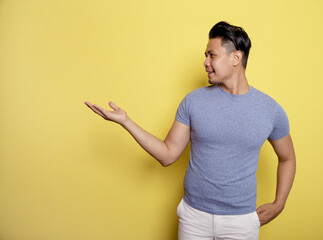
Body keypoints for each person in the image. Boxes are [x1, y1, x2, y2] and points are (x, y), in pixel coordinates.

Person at [84, 21, 296, 240]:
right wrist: (126, 121)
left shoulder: (270, 110)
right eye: (205, 55)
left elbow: (287, 158)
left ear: (235, 58)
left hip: (241, 222)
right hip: (194, 218)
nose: (205, 62)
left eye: (212, 55)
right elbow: (167, 155)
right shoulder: (193, 101)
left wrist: (279, 204)